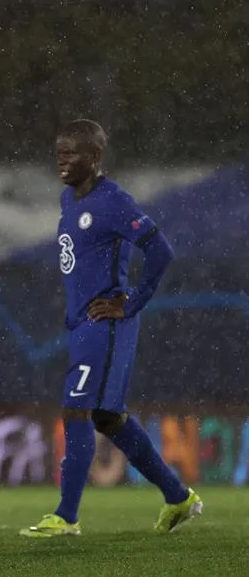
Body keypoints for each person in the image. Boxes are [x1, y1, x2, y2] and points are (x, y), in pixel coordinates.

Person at [20, 119, 202, 538]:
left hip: (106, 324)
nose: (62, 161)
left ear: (95, 157)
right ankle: (178, 497)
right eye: (59, 153)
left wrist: (132, 301)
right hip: (84, 324)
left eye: (72, 153)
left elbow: (160, 250)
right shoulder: (69, 199)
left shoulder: (114, 200)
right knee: (108, 417)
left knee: (77, 409)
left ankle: (66, 516)